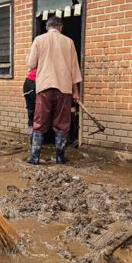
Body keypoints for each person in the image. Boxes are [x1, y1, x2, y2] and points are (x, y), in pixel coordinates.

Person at [26, 17, 81, 164]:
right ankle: (60, 158)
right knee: (62, 124)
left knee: (39, 122)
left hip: (45, 87)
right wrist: (75, 91)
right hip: (64, 88)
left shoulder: (39, 40)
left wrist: (28, 56)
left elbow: (31, 64)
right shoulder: (69, 42)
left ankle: (34, 157)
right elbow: (74, 69)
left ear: (47, 27)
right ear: (61, 27)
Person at [23, 68, 36, 142]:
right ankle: (36, 139)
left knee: (31, 112)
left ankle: (31, 137)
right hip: (34, 83)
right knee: (38, 112)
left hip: (27, 83)